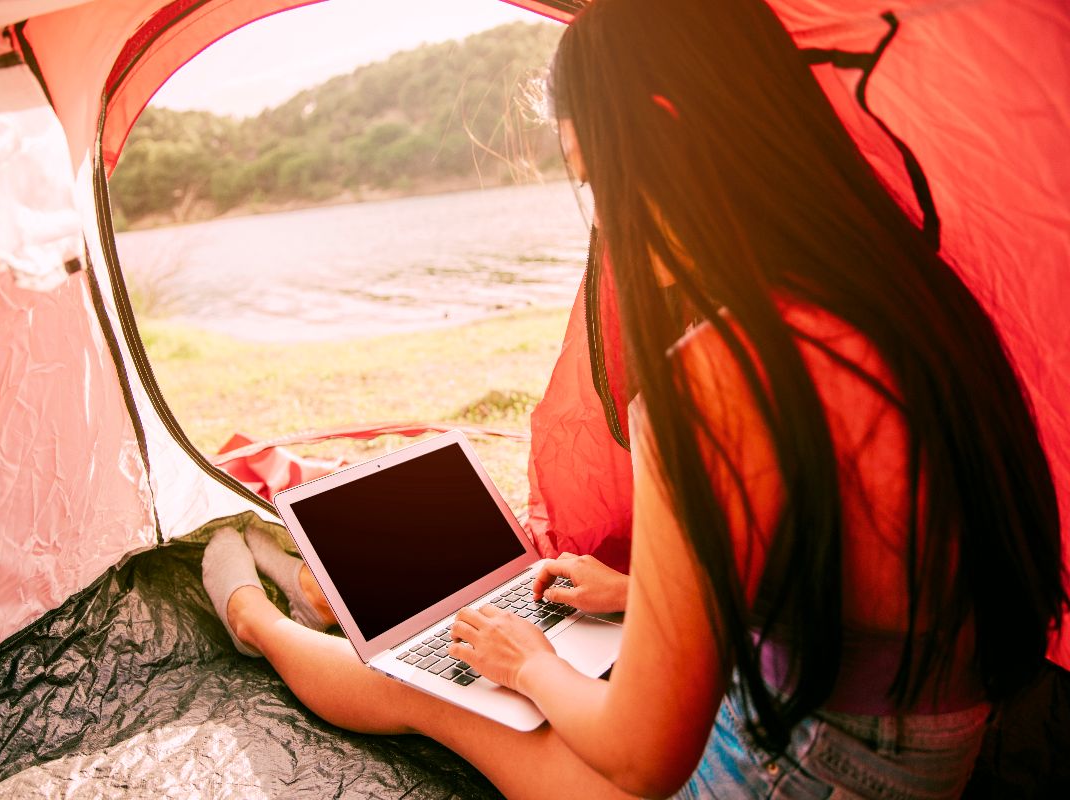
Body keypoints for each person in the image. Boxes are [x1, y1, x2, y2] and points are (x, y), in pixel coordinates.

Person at [199, 0, 1067, 796]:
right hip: (920, 742)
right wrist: (640, 595)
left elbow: (644, 759)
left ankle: (255, 621)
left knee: (431, 688)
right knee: (516, 650)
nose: (604, 217)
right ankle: (318, 600)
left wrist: (528, 663)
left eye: (593, 176)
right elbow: (844, 556)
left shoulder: (725, 365)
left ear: (662, 133)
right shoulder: (899, 291)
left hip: (802, 769)